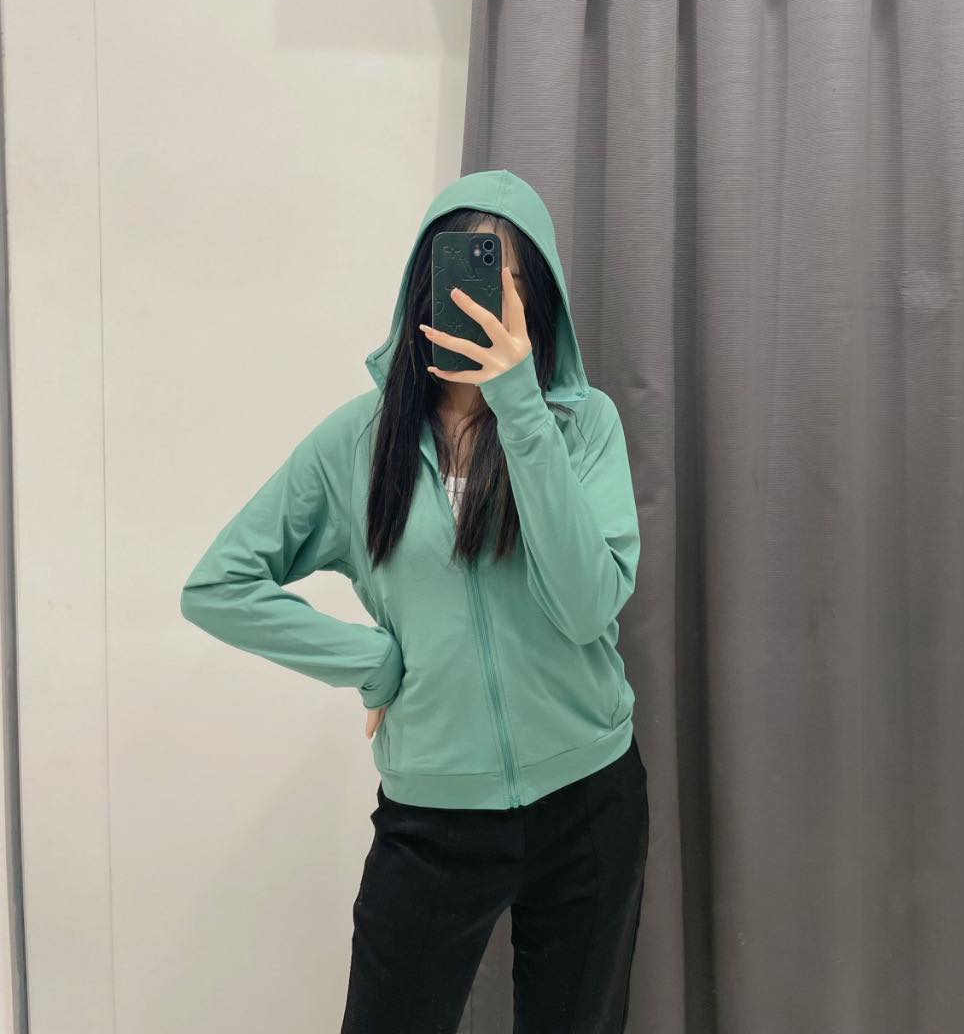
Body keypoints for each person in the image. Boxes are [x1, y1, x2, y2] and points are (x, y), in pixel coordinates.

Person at [180, 168, 648, 1033]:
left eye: (506, 282)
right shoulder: (356, 443)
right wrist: (374, 662)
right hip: (434, 819)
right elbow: (218, 586)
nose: (484, 303)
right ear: (423, 288)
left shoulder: (583, 428)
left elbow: (587, 608)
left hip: (590, 799)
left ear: (538, 299)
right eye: (465, 274)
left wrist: (520, 408)